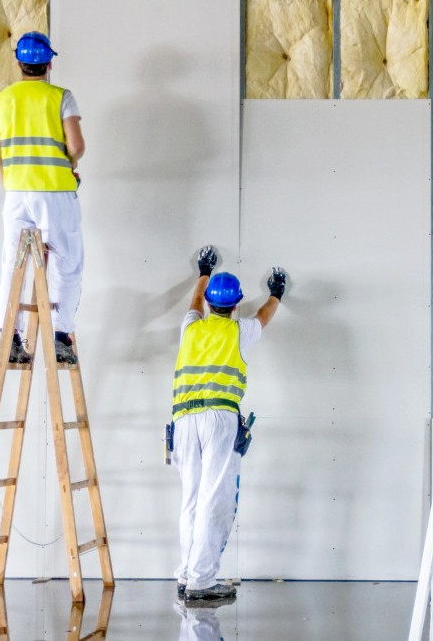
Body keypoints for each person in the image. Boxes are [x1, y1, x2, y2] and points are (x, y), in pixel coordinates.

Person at [171, 245, 287, 601]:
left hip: (183, 420)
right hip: (218, 419)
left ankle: (187, 573)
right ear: (236, 305)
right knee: (213, 500)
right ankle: (201, 582)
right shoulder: (240, 332)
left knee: (191, 498)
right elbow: (265, 316)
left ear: (208, 302)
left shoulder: (190, 327)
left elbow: (193, 302)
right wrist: (276, 292)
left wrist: (203, 270)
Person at [0, 31, 85, 364]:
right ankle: (59, 336)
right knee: (66, 262)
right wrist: (71, 166)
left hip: (16, 194)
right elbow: (76, 146)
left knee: (11, 265)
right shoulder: (61, 97)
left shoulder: (1, 100)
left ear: (19, 63)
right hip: (55, 192)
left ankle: (11, 338)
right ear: (48, 64)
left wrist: (14, 185)